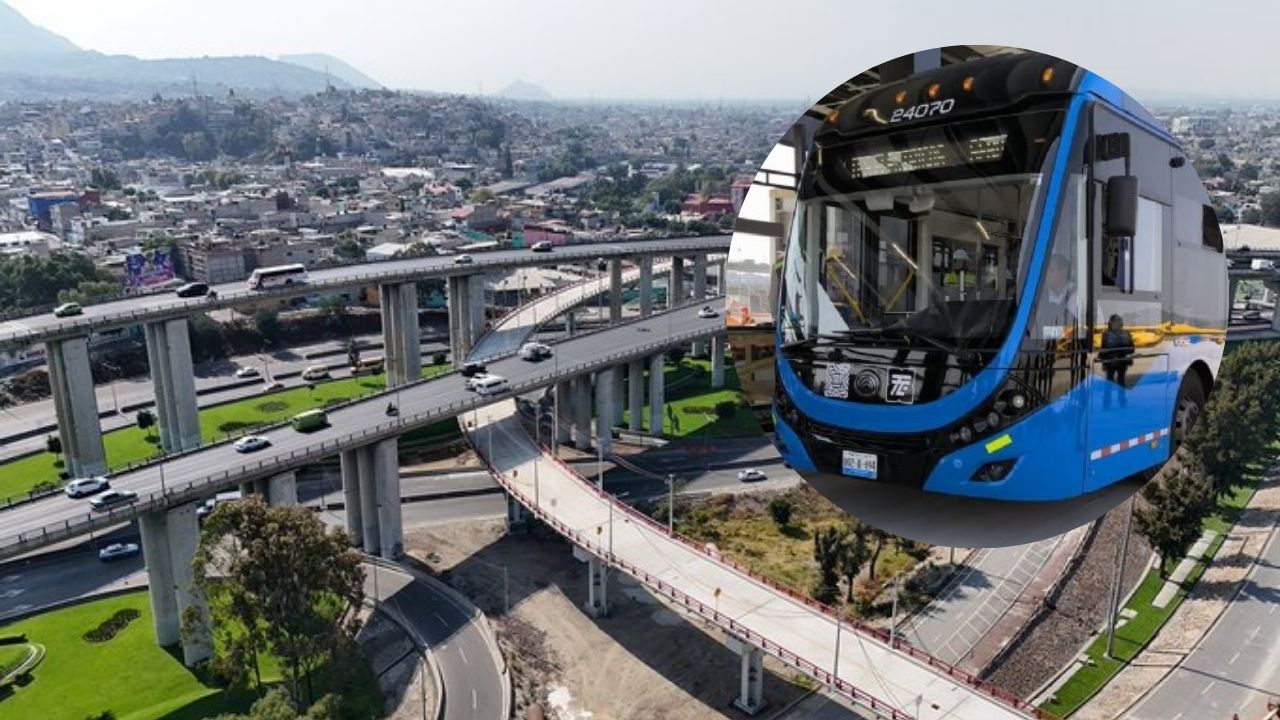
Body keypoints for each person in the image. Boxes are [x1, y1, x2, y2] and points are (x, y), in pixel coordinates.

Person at [1099, 314, 1134, 409]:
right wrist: (1104, 362)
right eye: (1119, 320)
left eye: (1121, 320)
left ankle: (1122, 403)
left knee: (1121, 382)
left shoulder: (1126, 334)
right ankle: (1107, 404)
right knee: (1109, 384)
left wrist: (1123, 354)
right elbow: (1103, 350)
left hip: (1121, 362)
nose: (1121, 322)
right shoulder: (1106, 335)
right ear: (1112, 323)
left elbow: (1131, 349)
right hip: (1111, 363)